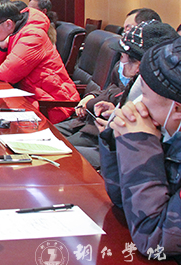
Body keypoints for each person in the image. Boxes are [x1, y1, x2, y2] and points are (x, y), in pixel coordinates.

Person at [100, 35, 181, 255]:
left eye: (143, 94)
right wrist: (119, 135)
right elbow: (123, 202)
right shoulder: (167, 132)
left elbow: (155, 240)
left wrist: (139, 145)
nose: (139, 105)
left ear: (177, 108)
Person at [62, 21, 178, 168]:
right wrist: (113, 122)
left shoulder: (158, 87)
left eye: (123, 57)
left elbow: (141, 173)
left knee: (64, 158)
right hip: (113, 139)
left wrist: (136, 142)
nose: (121, 62)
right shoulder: (137, 79)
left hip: (127, 150)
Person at [0, 0, 79, 123]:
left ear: (8, 24)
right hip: (33, 98)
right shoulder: (15, 35)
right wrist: (0, 46)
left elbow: (6, 74)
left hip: (53, 105)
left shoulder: (33, 36)